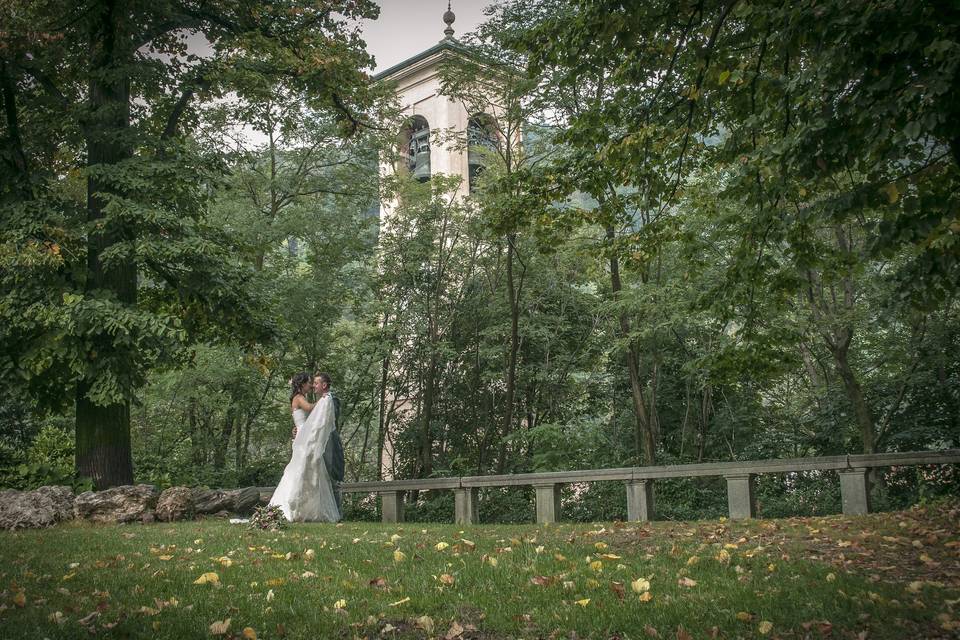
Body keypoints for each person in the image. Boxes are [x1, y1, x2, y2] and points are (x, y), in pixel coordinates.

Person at [267, 371, 340, 522]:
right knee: (299, 470)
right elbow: (310, 408)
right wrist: (323, 399)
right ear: (302, 384)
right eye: (309, 383)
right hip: (302, 437)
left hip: (303, 434)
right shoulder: (299, 398)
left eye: (314, 383)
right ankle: (291, 505)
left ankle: (304, 509)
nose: (311, 385)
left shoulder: (301, 397)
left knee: (306, 471)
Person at [313, 372, 345, 517]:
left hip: (330, 443)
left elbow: (329, 421)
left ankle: (337, 514)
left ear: (324, 385)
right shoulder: (320, 402)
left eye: (316, 383)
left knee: (333, 478)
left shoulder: (332, 400)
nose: (314, 386)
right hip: (320, 443)